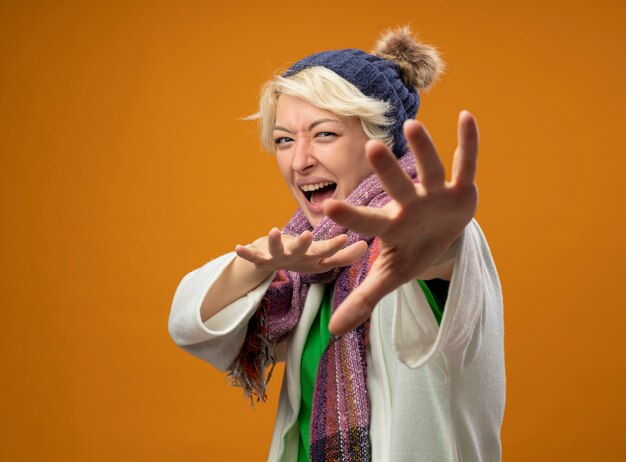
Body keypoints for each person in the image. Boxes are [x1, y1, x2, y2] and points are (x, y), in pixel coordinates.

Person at [169, 26, 505, 461]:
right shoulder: (310, 267)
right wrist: (260, 261)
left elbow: (442, 255)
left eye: (324, 134)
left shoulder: (433, 237)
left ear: (378, 141)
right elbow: (188, 325)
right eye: (284, 140)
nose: (300, 160)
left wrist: (434, 243)